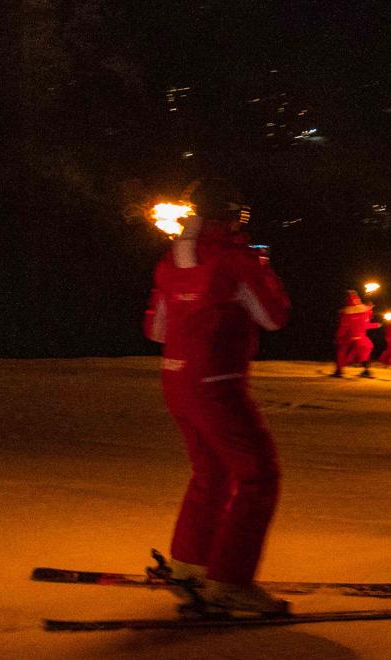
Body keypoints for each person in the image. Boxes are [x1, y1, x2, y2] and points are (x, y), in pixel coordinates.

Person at [143, 177, 291, 613]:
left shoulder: (171, 259)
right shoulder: (236, 260)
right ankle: (230, 580)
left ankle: (188, 565)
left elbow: (155, 329)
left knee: (210, 474)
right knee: (258, 477)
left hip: (176, 381)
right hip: (219, 384)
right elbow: (274, 317)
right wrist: (262, 271)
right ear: (227, 216)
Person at [334, 290, 376, 377]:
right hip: (360, 335)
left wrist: (338, 336)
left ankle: (339, 370)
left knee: (342, 351)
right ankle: (366, 370)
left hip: (349, 335)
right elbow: (366, 323)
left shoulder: (346, 311)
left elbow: (343, 326)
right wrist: (370, 309)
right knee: (366, 348)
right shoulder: (362, 310)